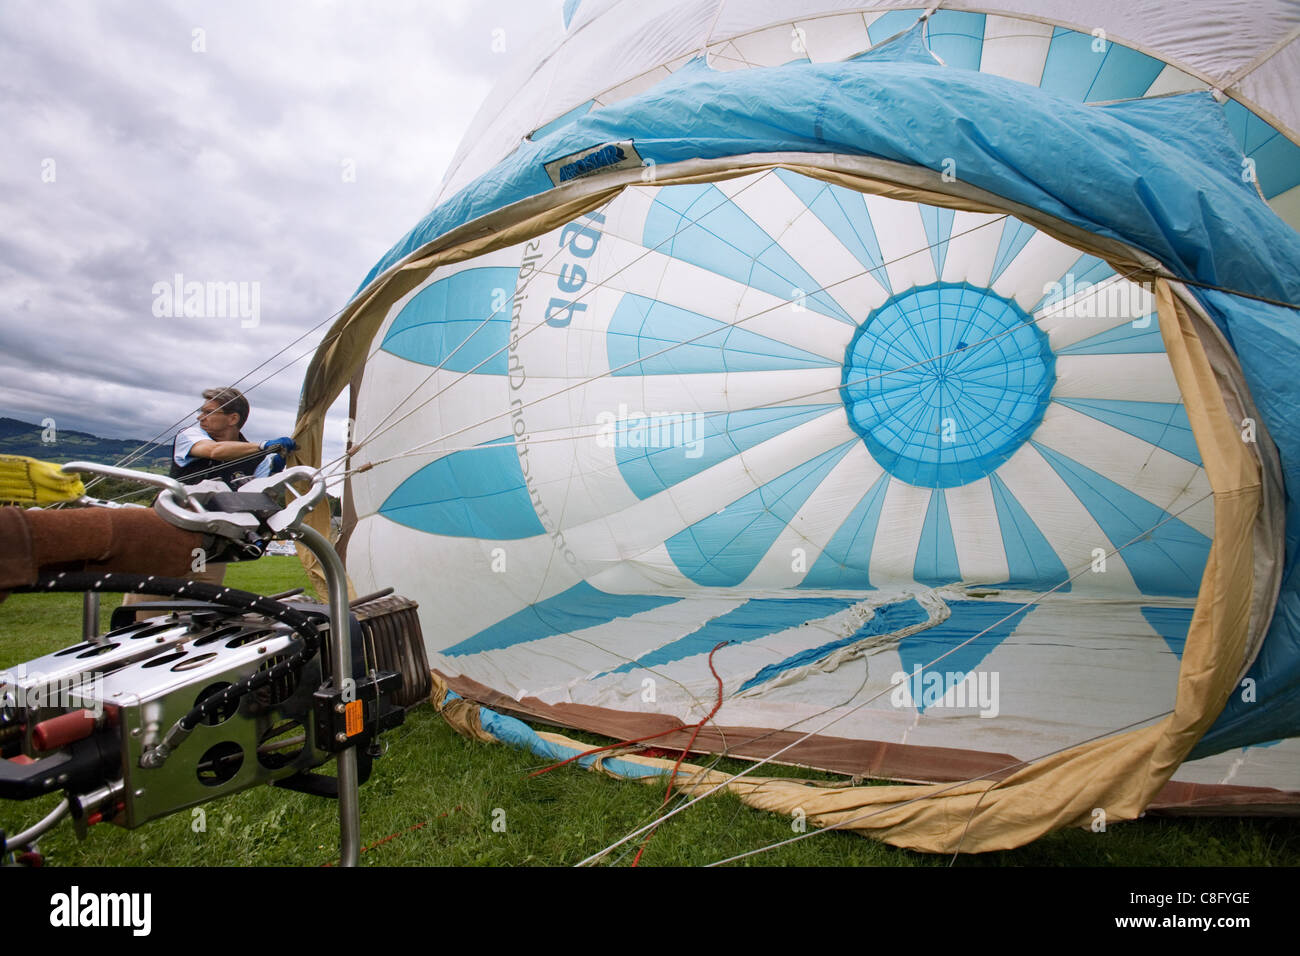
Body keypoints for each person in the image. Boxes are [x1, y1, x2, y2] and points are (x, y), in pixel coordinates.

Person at [122, 387, 297, 611]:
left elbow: (254, 499)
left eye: (208, 412)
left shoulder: (259, 461)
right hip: (167, 539)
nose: (200, 417)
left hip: (209, 549)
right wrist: (262, 447)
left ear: (233, 418)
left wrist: (273, 470)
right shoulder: (190, 436)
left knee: (198, 618)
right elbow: (214, 451)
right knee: (144, 613)